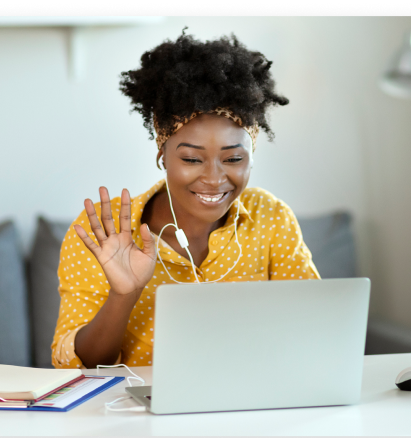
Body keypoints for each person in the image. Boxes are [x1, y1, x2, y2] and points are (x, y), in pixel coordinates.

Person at [51, 31, 321, 369]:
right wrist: (123, 295)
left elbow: (316, 328)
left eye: (233, 159)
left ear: (252, 156)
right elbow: (78, 366)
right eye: (192, 159)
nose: (213, 178)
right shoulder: (103, 232)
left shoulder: (271, 217)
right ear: (163, 153)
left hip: (253, 408)